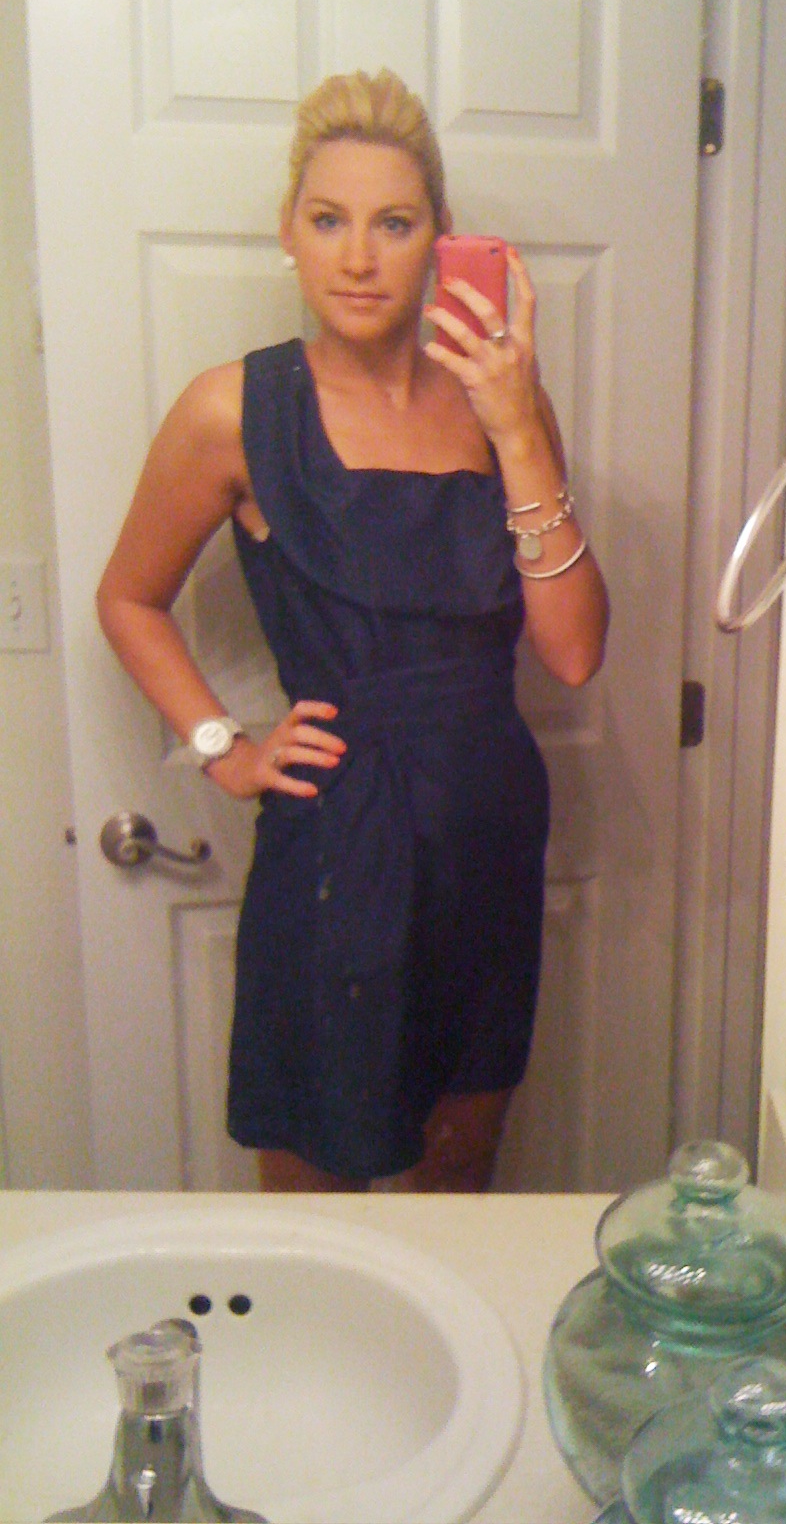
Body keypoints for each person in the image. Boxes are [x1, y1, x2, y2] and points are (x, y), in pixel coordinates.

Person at [96, 69, 608, 1193]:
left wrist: (520, 428)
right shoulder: (233, 411)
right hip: (334, 841)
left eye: (395, 223)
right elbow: (127, 598)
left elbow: (573, 651)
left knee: (462, 1165)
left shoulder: (501, 404)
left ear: (440, 239)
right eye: (329, 220)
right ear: (288, 232)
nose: (360, 257)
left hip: (486, 834)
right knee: (315, 1179)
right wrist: (225, 748)